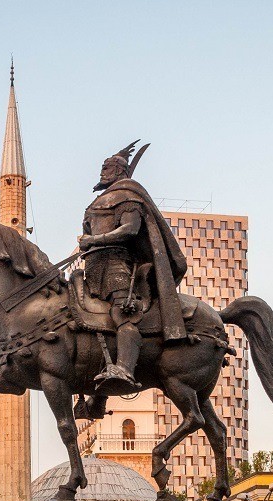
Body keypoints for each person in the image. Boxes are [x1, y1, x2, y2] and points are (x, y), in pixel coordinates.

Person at [77, 140, 188, 396]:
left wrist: (93, 240)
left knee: (122, 314)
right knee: (78, 318)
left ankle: (125, 370)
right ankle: (95, 393)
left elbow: (130, 230)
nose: (103, 171)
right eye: (103, 167)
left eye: (108, 167)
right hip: (92, 266)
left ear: (120, 171)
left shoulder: (128, 196)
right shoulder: (96, 203)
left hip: (117, 265)